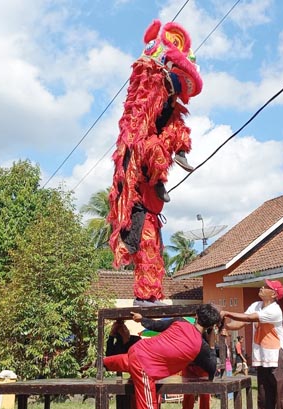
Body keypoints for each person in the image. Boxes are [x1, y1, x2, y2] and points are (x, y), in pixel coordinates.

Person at [107, 19, 203, 306]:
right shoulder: (144, 96)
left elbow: (173, 118)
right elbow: (135, 138)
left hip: (150, 196)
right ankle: (144, 295)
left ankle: (150, 294)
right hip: (139, 180)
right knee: (142, 237)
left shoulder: (169, 110)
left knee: (154, 243)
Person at [103, 304, 219, 409]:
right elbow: (212, 368)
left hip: (138, 350)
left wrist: (142, 319)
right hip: (146, 368)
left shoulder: (180, 321)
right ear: (210, 326)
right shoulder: (200, 347)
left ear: (196, 316)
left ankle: (102, 363)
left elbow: (156, 325)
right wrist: (212, 345)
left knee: (127, 361)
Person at [221, 279, 283, 409]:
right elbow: (239, 323)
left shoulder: (275, 310)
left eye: (266, 287)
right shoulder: (256, 305)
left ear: (273, 294)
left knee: (282, 404)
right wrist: (225, 325)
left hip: (278, 358)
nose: (262, 287)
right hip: (262, 359)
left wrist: (226, 312)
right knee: (264, 401)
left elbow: (249, 318)